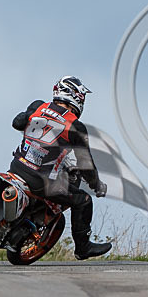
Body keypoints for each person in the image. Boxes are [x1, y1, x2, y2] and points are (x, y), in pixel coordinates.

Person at [9, 76, 112, 259]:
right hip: (41, 181)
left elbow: (17, 123)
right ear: (76, 97)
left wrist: (27, 117)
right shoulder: (75, 125)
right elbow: (85, 164)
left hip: (17, 166)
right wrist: (96, 185)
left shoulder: (38, 106)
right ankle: (83, 248)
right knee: (83, 200)